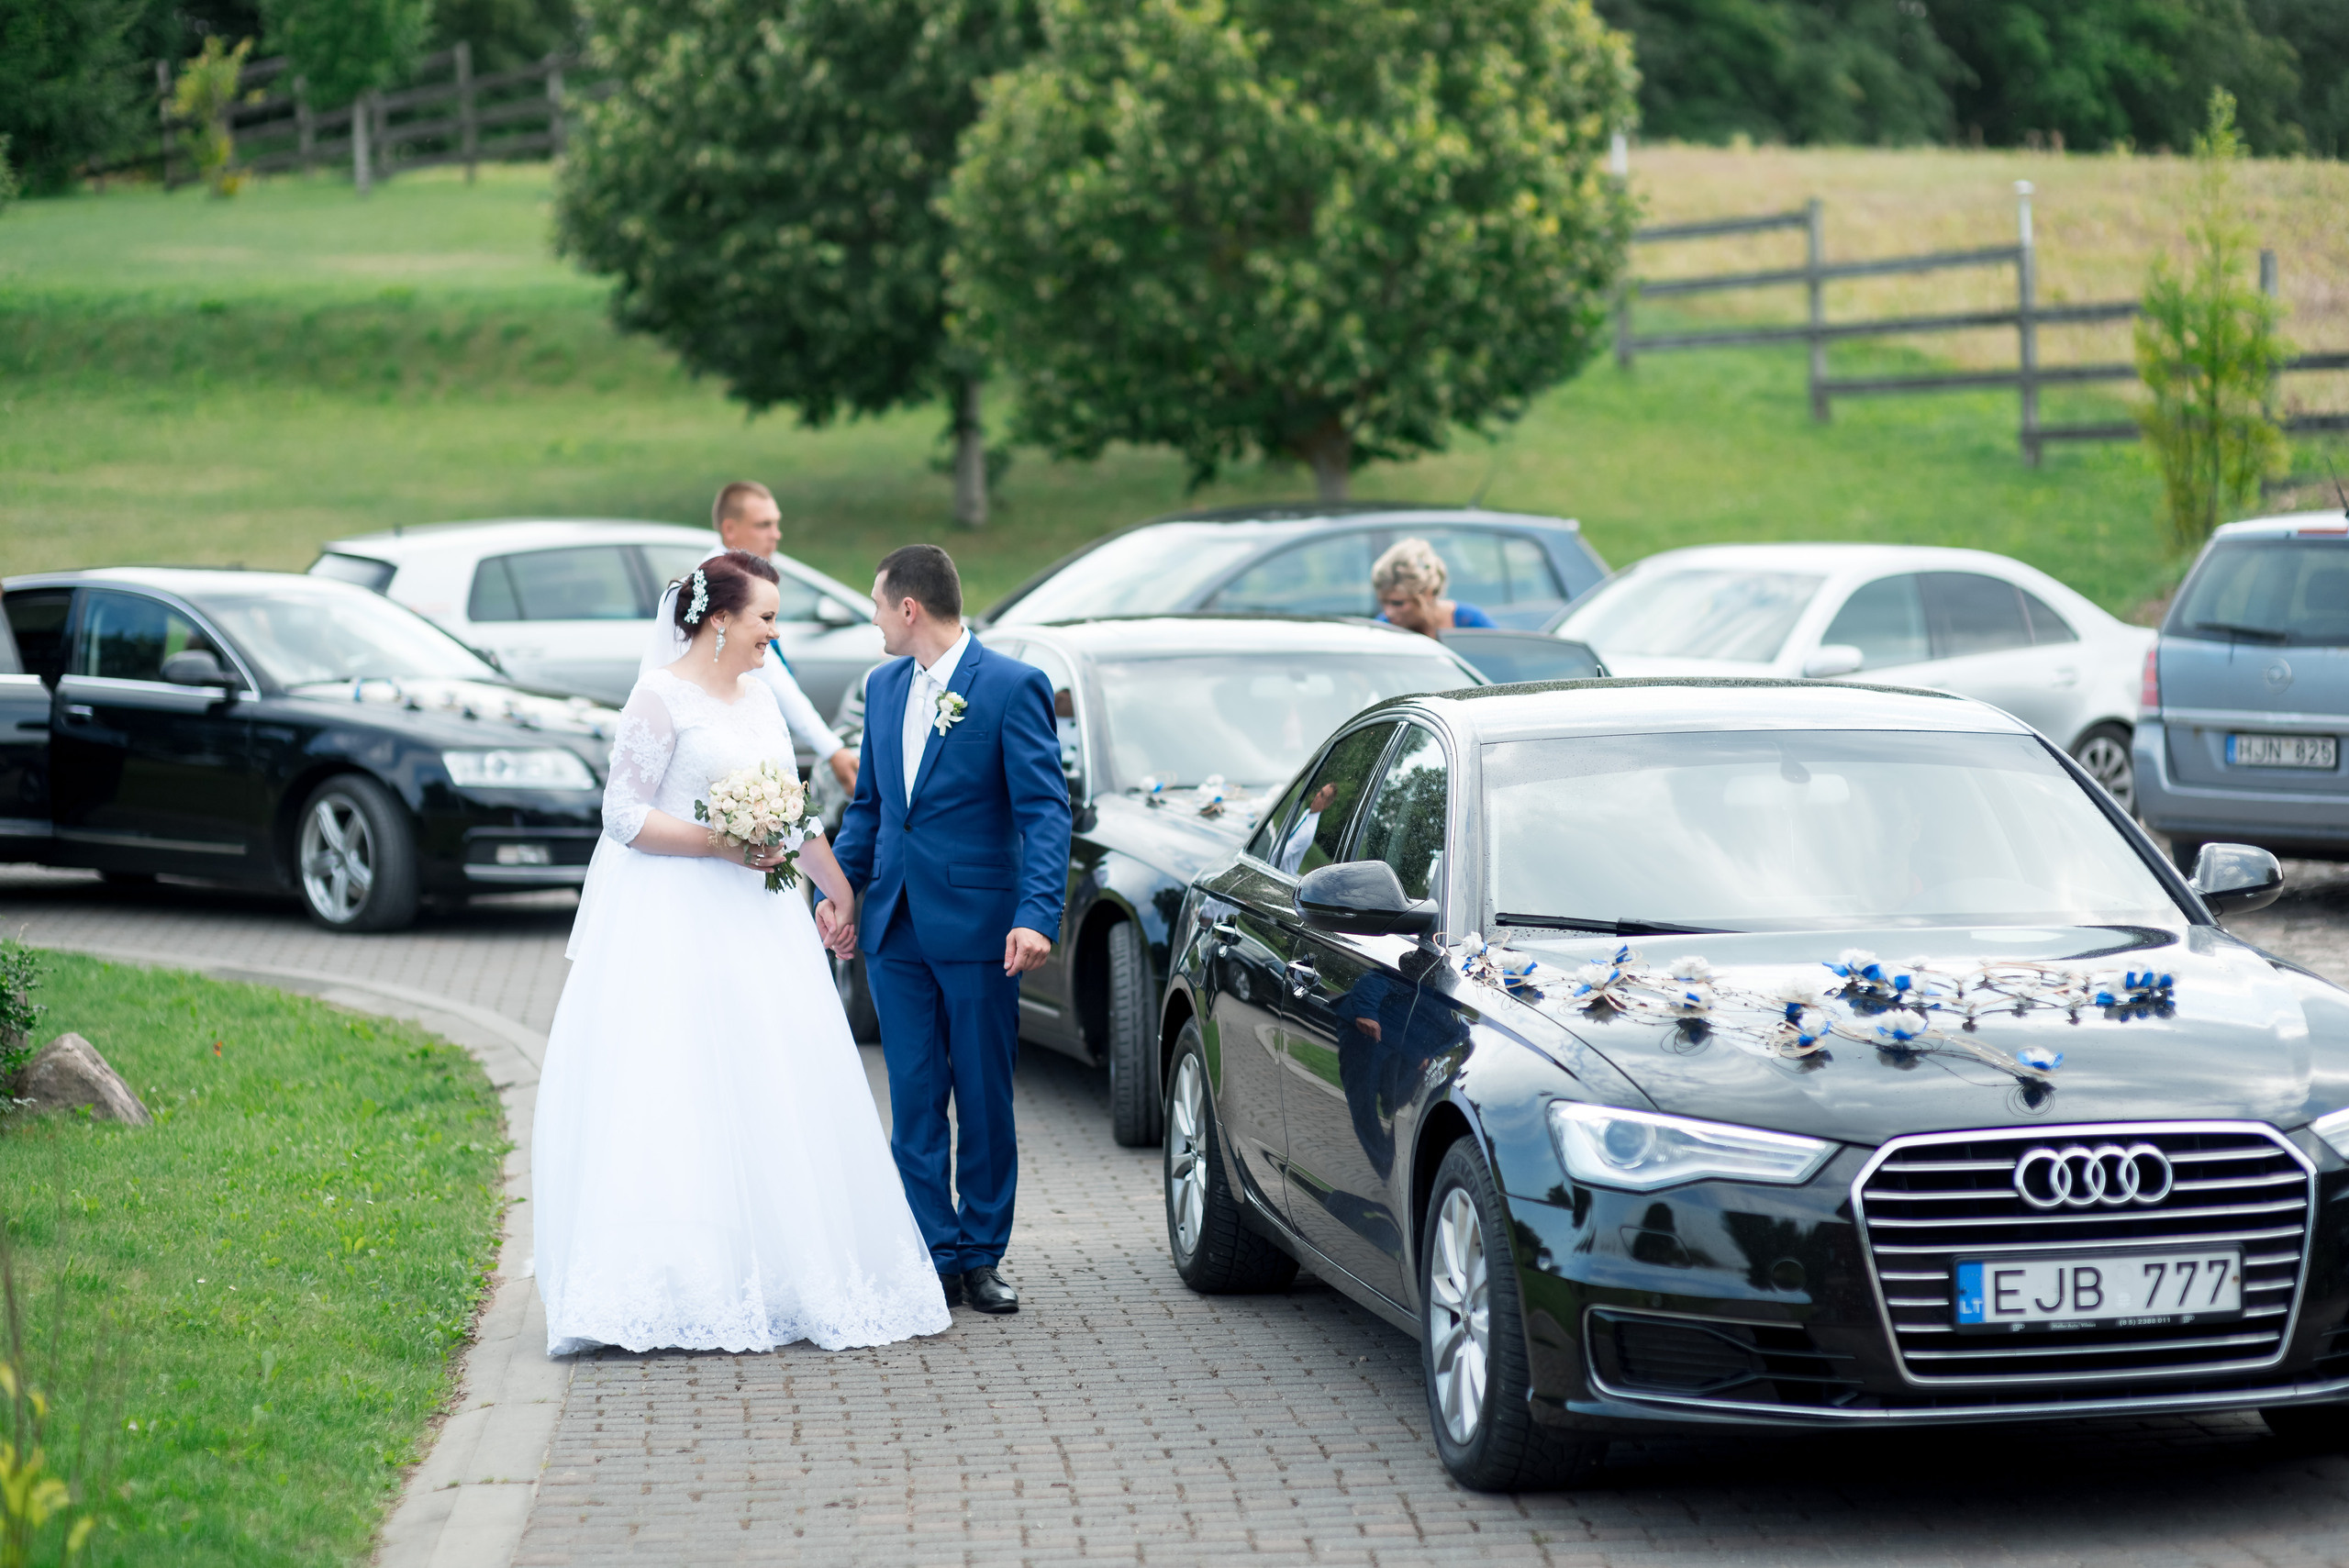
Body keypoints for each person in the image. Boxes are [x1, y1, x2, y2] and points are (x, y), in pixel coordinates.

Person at [533, 550, 952, 1356]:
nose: (773, 633)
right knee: (676, 1085)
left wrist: (837, 890)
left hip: (759, 922)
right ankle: (673, 1277)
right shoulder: (659, 697)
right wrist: (717, 845)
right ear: (719, 618)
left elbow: (791, 814)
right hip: (673, 914)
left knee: (773, 1081)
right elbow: (622, 815)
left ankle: (780, 1269)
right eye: (764, 617)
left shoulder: (760, 697)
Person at [818, 545, 1071, 1318]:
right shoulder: (884, 686)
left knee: (985, 1096)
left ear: (909, 608)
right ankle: (935, 1250)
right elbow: (869, 809)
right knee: (916, 1098)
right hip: (893, 927)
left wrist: (1035, 914)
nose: (871, 622)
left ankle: (983, 1252)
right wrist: (842, 893)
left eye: (875, 606)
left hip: (980, 928)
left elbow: (1043, 810)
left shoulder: (1011, 686)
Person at [644, 482, 858, 794]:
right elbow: (773, 676)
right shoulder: (716, 593)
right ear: (729, 529)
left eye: (777, 523)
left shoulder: (751, 582)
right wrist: (832, 749)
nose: (776, 534)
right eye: (764, 525)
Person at [1372, 538, 1497, 636]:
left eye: (1398, 603)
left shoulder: (1469, 621)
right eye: (1383, 602)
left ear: (1428, 593)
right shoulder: (1383, 629)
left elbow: (1505, 663)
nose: (1388, 612)